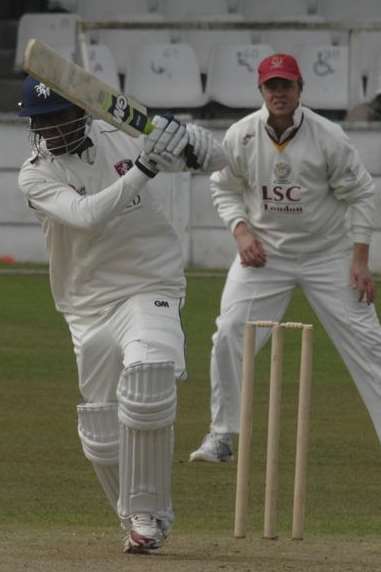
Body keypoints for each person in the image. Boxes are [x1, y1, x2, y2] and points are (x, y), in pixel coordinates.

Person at [17, 75, 226, 553]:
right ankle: (131, 514)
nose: (54, 131)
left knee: (149, 376)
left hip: (150, 282)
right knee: (101, 427)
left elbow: (216, 160)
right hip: (87, 304)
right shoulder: (34, 175)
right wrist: (146, 167)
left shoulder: (123, 131)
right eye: (43, 124)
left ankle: (149, 516)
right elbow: (88, 215)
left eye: (61, 118)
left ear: (82, 112)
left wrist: (185, 138)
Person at [189, 53, 381, 464]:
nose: (279, 93)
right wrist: (241, 232)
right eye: (271, 86)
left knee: (369, 346)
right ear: (261, 91)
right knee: (228, 334)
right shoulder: (241, 136)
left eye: (286, 86)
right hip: (265, 257)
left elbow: (362, 194)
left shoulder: (328, 137)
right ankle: (223, 434)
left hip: (327, 254)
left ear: (299, 89)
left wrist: (360, 259)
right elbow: (223, 188)